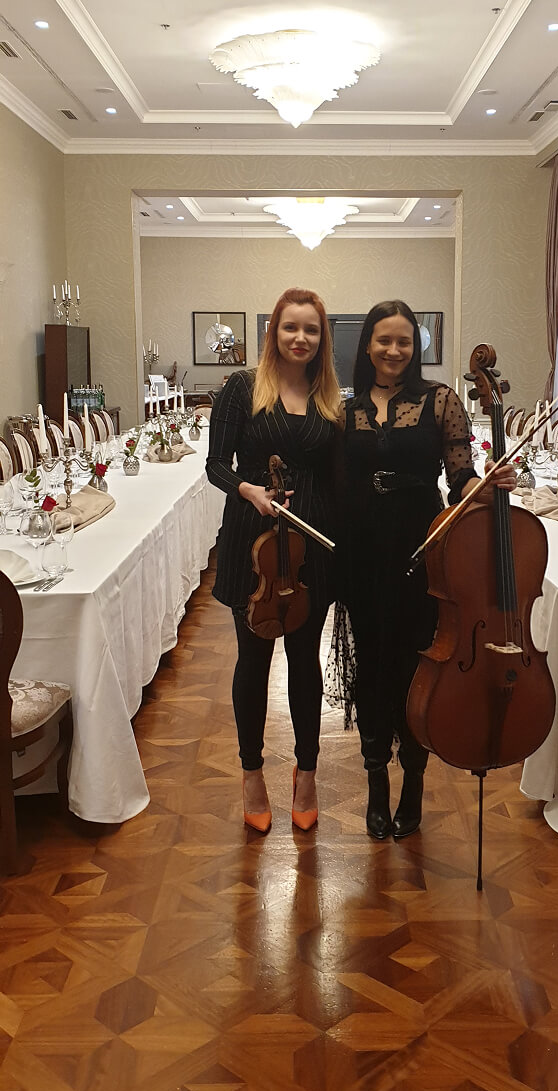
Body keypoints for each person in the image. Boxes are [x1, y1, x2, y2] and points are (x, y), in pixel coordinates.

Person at [335, 300, 516, 840]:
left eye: (405, 342)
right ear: (367, 345)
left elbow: (459, 476)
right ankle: (375, 785)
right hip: (364, 552)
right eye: (384, 340)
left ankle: (413, 782)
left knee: (419, 665)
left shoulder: (441, 401)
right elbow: (339, 486)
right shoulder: (345, 411)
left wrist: (485, 485)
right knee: (372, 665)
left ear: (417, 347)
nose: (394, 350)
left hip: (424, 550)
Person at [206, 288, 340, 833]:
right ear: (274, 332)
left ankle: (306, 773)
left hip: (312, 546)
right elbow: (215, 465)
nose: (300, 338)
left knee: (306, 662)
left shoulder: (329, 394)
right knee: (253, 663)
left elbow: (337, 475)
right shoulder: (243, 388)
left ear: (321, 337)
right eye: (290, 328)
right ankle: (252, 773)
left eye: (311, 329)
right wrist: (247, 488)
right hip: (253, 544)